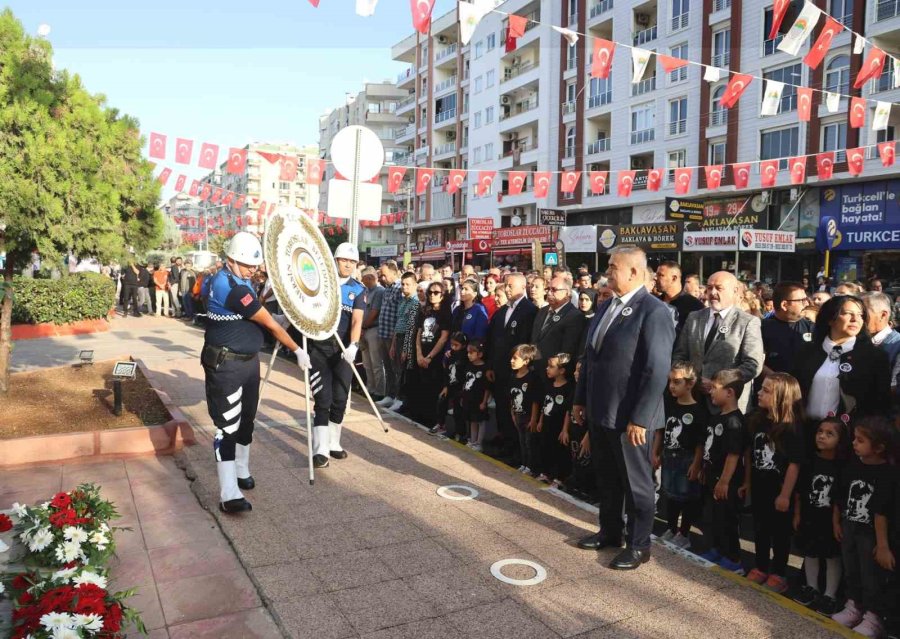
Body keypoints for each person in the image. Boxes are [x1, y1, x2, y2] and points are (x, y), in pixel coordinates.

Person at [573, 246, 675, 570]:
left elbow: (656, 370)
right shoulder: (607, 305)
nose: (607, 273)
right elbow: (590, 357)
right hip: (601, 410)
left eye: (612, 267)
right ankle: (610, 532)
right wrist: (580, 399)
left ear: (633, 272)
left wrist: (641, 419)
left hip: (631, 417)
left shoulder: (654, 311)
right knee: (607, 479)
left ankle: (639, 545)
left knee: (636, 485)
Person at [202, 232, 311, 513]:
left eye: (254, 265)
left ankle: (241, 469)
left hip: (247, 362)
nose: (252, 269)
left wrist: (282, 316)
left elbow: (262, 316)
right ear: (230, 260)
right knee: (228, 425)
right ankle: (229, 493)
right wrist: (297, 350)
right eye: (246, 264)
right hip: (227, 364)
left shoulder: (239, 280)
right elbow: (270, 325)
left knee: (247, 419)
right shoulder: (232, 287)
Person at [302, 242, 365, 469]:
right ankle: (320, 450)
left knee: (340, 399)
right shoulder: (320, 284)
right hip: (319, 349)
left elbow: (357, 320)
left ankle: (333, 443)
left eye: (352, 261)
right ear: (335, 261)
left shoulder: (358, 290)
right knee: (323, 399)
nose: (347, 265)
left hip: (344, 353)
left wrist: (354, 345)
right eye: (344, 260)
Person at [831, 417, 896, 637]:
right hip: (850, 526)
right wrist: (837, 522)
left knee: (871, 576)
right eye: (854, 438)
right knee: (852, 570)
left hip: (870, 533)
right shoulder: (853, 466)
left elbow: (881, 512)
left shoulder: (887, 473)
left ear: (879, 447)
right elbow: (840, 497)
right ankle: (854, 607)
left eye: (860, 440)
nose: (854, 443)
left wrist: (882, 544)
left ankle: (873, 617)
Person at [744, 373, 806, 594]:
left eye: (766, 391)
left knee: (780, 533)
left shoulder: (792, 428)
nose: (760, 393)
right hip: (759, 486)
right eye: (761, 388)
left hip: (779, 490)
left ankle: (779, 572)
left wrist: (785, 495)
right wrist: (747, 482)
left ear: (782, 397)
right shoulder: (757, 421)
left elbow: (794, 464)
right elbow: (750, 454)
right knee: (760, 528)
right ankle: (761, 566)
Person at [673, 271, 764, 413]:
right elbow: (680, 354)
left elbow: (753, 364)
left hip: (727, 405)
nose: (713, 292)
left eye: (719, 288)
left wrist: (719, 384)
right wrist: (690, 379)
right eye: (709, 288)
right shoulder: (694, 318)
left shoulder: (748, 322)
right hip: (693, 398)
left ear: (735, 291)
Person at [793, 295, 892, 422]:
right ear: (830, 319)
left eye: (860, 315)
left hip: (850, 430)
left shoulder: (875, 357)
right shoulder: (806, 351)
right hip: (806, 427)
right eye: (847, 313)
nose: (855, 319)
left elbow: (880, 404)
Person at [792, 417, 850, 615]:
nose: (822, 436)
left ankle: (830, 595)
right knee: (811, 552)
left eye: (829, 434)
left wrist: (836, 522)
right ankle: (811, 588)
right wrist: (797, 514)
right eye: (820, 431)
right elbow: (800, 491)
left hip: (829, 521)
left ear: (841, 440)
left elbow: (840, 497)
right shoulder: (810, 461)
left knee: (832, 556)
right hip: (810, 516)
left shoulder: (842, 467)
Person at [698, 369, 749, 574]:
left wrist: (725, 481)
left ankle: (733, 558)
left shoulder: (734, 421)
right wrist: (704, 468)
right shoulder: (716, 417)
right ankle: (717, 549)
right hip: (712, 476)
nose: (711, 392)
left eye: (714, 388)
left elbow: (733, 455)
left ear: (729, 392)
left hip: (726, 481)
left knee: (728, 519)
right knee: (715, 517)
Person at [654, 361, 706, 551]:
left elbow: (700, 442)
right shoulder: (669, 405)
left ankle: (684, 534)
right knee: (670, 495)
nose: (672, 386)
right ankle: (671, 528)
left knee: (687, 497)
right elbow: (660, 431)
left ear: (690, 383)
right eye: (670, 381)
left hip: (687, 459)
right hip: (669, 457)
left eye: (677, 382)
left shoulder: (698, 411)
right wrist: (655, 452)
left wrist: (696, 464)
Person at [485, 273, 537, 462]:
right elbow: (491, 340)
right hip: (499, 370)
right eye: (505, 285)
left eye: (510, 286)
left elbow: (527, 343)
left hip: (517, 372)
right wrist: (490, 365)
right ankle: (505, 443)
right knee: (502, 408)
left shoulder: (530, 310)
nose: (506, 289)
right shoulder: (502, 311)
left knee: (516, 411)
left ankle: (518, 451)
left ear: (523, 287)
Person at [410, 281, 451, 427]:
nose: (432, 295)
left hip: (435, 357)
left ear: (443, 295)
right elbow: (419, 333)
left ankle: (434, 420)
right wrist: (419, 354)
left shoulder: (445, 314)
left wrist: (429, 357)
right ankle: (420, 416)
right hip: (422, 353)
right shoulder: (424, 311)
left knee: (433, 388)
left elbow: (443, 337)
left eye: (436, 292)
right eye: (430, 292)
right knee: (421, 386)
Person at [531, 276, 586, 385]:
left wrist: (556, 370)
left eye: (554, 290)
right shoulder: (542, 311)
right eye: (548, 289)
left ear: (567, 293)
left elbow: (568, 350)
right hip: (535, 372)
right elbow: (535, 339)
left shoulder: (574, 316)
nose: (549, 293)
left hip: (555, 377)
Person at [760, 282, 815, 378]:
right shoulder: (761, 328)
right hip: (772, 385)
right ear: (784, 305)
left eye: (806, 299)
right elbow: (757, 361)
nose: (807, 303)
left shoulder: (812, 327)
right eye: (802, 300)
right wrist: (779, 380)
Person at [539, 353, 574, 487]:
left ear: (562, 370)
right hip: (547, 423)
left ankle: (559, 477)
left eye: (551, 366)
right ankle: (545, 473)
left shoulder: (568, 388)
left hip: (558, 426)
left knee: (559, 451)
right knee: (545, 448)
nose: (547, 369)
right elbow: (545, 404)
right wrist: (540, 421)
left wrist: (565, 429)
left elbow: (568, 410)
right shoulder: (549, 385)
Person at [388, 271, 420, 412]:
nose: (404, 287)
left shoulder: (415, 303)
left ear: (415, 285)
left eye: (408, 284)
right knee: (397, 370)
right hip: (398, 337)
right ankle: (395, 397)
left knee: (404, 372)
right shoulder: (402, 301)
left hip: (408, 340)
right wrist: (393, 344)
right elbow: (399, 323)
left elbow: (411, 328)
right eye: (403, 284)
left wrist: (406, 349)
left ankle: (401, 399)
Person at [509, 344, 542, 476]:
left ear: (526, 361)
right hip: (518, 415)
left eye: (515, 358)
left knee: (529, 442)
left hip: (528, 416)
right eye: (511, 358)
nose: (511, 361)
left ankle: (531, 467)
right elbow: (511, 397)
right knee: (522, 441)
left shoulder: (532, 377)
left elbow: (535, 400)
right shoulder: (513, 376)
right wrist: (512, 412)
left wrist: (533, 419)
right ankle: (524, 464)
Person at [376, 261, 403, 409]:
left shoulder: (400, 288)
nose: (382, 278)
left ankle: (397, 397)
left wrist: (394, 337)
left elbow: (400, 314)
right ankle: (389, 395)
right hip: (383, 333)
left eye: (384, 275)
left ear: (393, 273)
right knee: (387, 367)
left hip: (393, 336)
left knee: (396, 368)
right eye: (381, 275)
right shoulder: (387, 289)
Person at [430, 331, 467, 439]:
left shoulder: (465, 357)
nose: (453, 347)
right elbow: (446, 371)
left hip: (460, 387)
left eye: (456, 345)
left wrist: (463, 390)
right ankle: (441, 425)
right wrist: (446, 386)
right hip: (449, 385)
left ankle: (460, 433)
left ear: (463, 345)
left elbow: (466, 374)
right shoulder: (450, 355)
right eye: (452, 344)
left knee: (458, 410)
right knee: (441, 401)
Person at [655, 261, 704, 338]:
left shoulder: (694, 306)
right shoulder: (655, 302)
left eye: (660, 275)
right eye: (656, 275)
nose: (655, 278)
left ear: (674, 278)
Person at [359, 267, 385, 401]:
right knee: (367, 363)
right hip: (364, 330)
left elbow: (374, 312)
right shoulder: (366, 291)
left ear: (369, 278)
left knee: (376, 362)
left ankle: (379, 391)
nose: (361, 281)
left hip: (373, 329)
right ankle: (370, 389)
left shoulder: (379, 291)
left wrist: (363, 327)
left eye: (363, 278)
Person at [462, 339, 490, 451]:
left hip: (479, 399)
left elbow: (487, 388)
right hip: (469, 398)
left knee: (480, 421)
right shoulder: (469, 366)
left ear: (480, 354)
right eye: (468, 352)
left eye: (471, 352)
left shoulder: (485, 368)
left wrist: (484, 402)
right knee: (472, 420)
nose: (469, 355)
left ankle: (479, 443)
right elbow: (465, 382)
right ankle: (473, 441)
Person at [862, 292, 900, 371]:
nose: (856, 319)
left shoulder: (897, 346)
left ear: (883, 315)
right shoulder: (852, 342)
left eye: (863, 313)